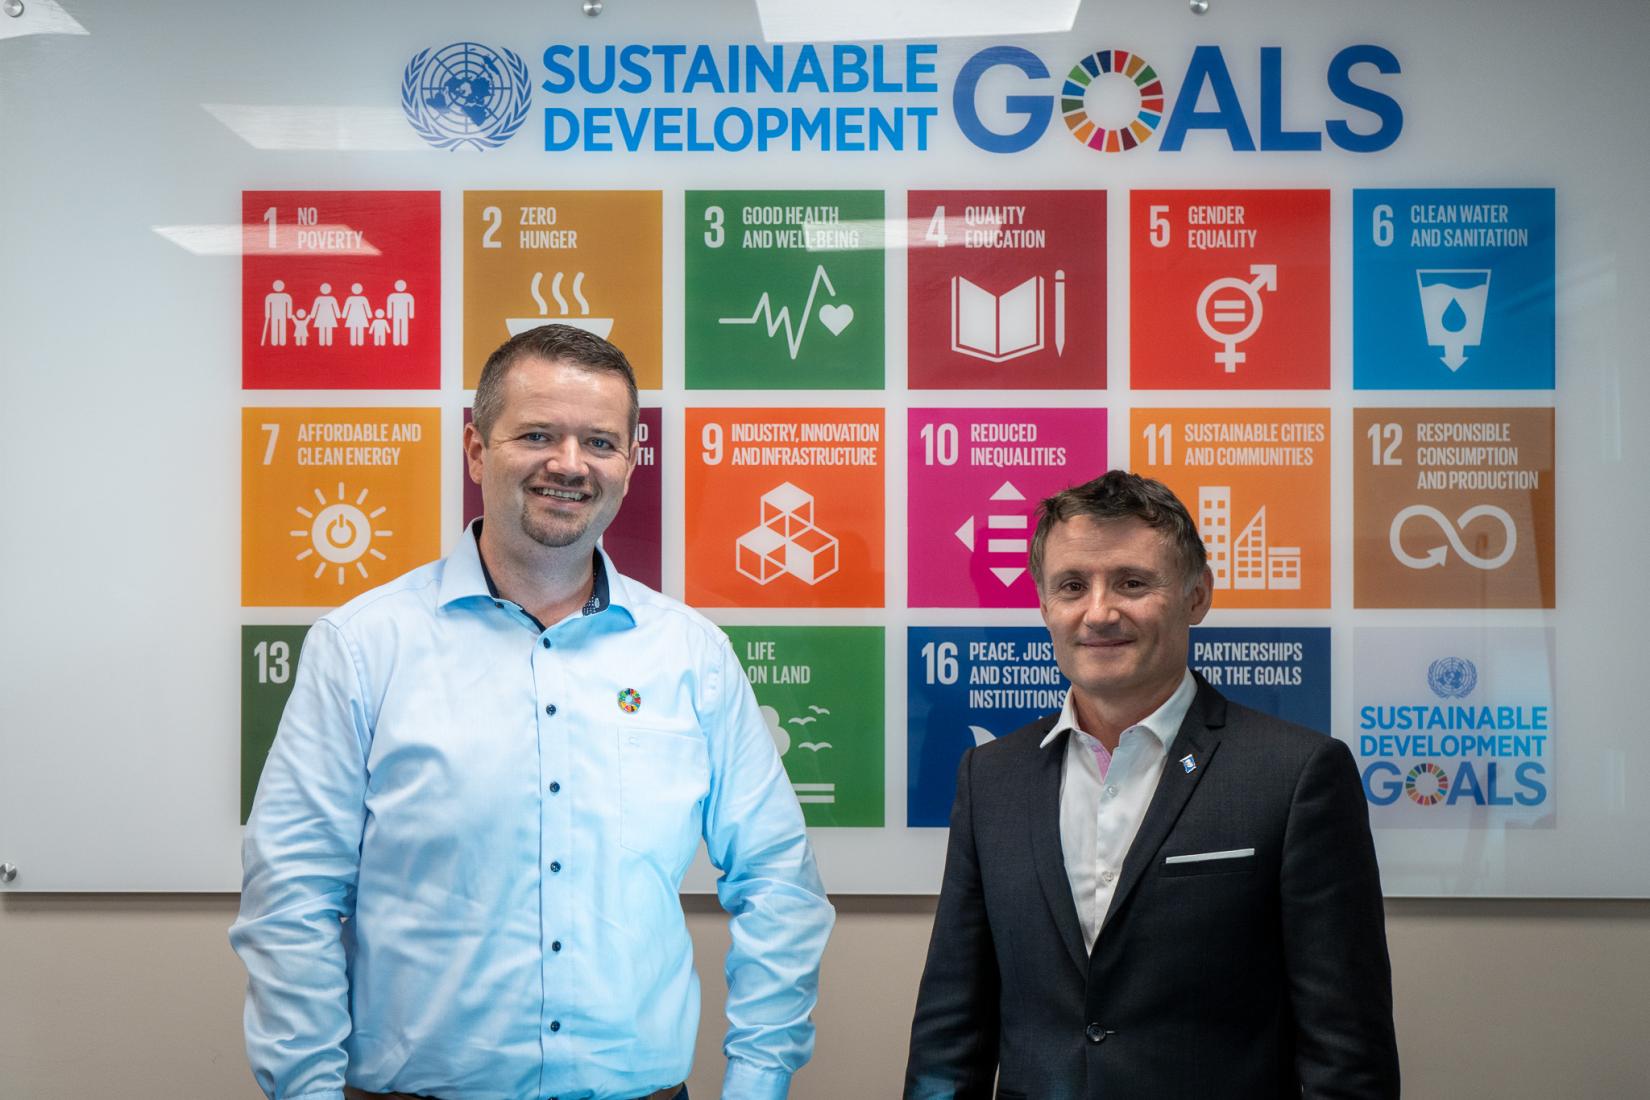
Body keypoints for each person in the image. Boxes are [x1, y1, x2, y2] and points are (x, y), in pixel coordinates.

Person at [232, 324, 834, 1100]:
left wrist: (756, 1083)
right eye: (539, 434)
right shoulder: (362, 648)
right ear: (478, 452)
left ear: (628, 463)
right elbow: (292, 896)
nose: (570, 465)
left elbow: (780, 884)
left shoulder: (691, 656)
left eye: (601, 442)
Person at [904, 470, 1399, 1099]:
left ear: (1196, 597)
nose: (1100, 611)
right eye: (1072, 586)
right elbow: (951, 1032)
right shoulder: (992, 777)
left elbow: (1346, 1052)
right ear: (1044, 604)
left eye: (1133, 583)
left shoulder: (1297, 775)